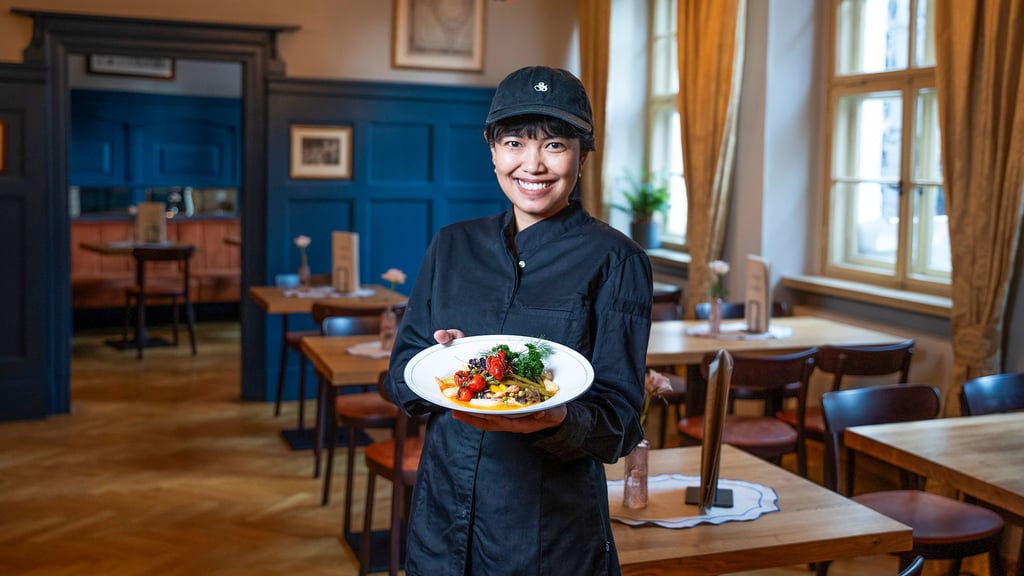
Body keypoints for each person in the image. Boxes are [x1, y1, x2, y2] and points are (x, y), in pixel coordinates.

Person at [385, 65, 653, 576]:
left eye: (555, 145)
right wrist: (443, 367)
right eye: (514, 143)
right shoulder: (452, 245)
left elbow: (619, 426)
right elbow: (400, 378)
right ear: (492, 150)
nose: (533, 164)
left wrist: (558, 418)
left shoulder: (617, 260)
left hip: (547, 536)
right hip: (441, 520)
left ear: (582, 156)